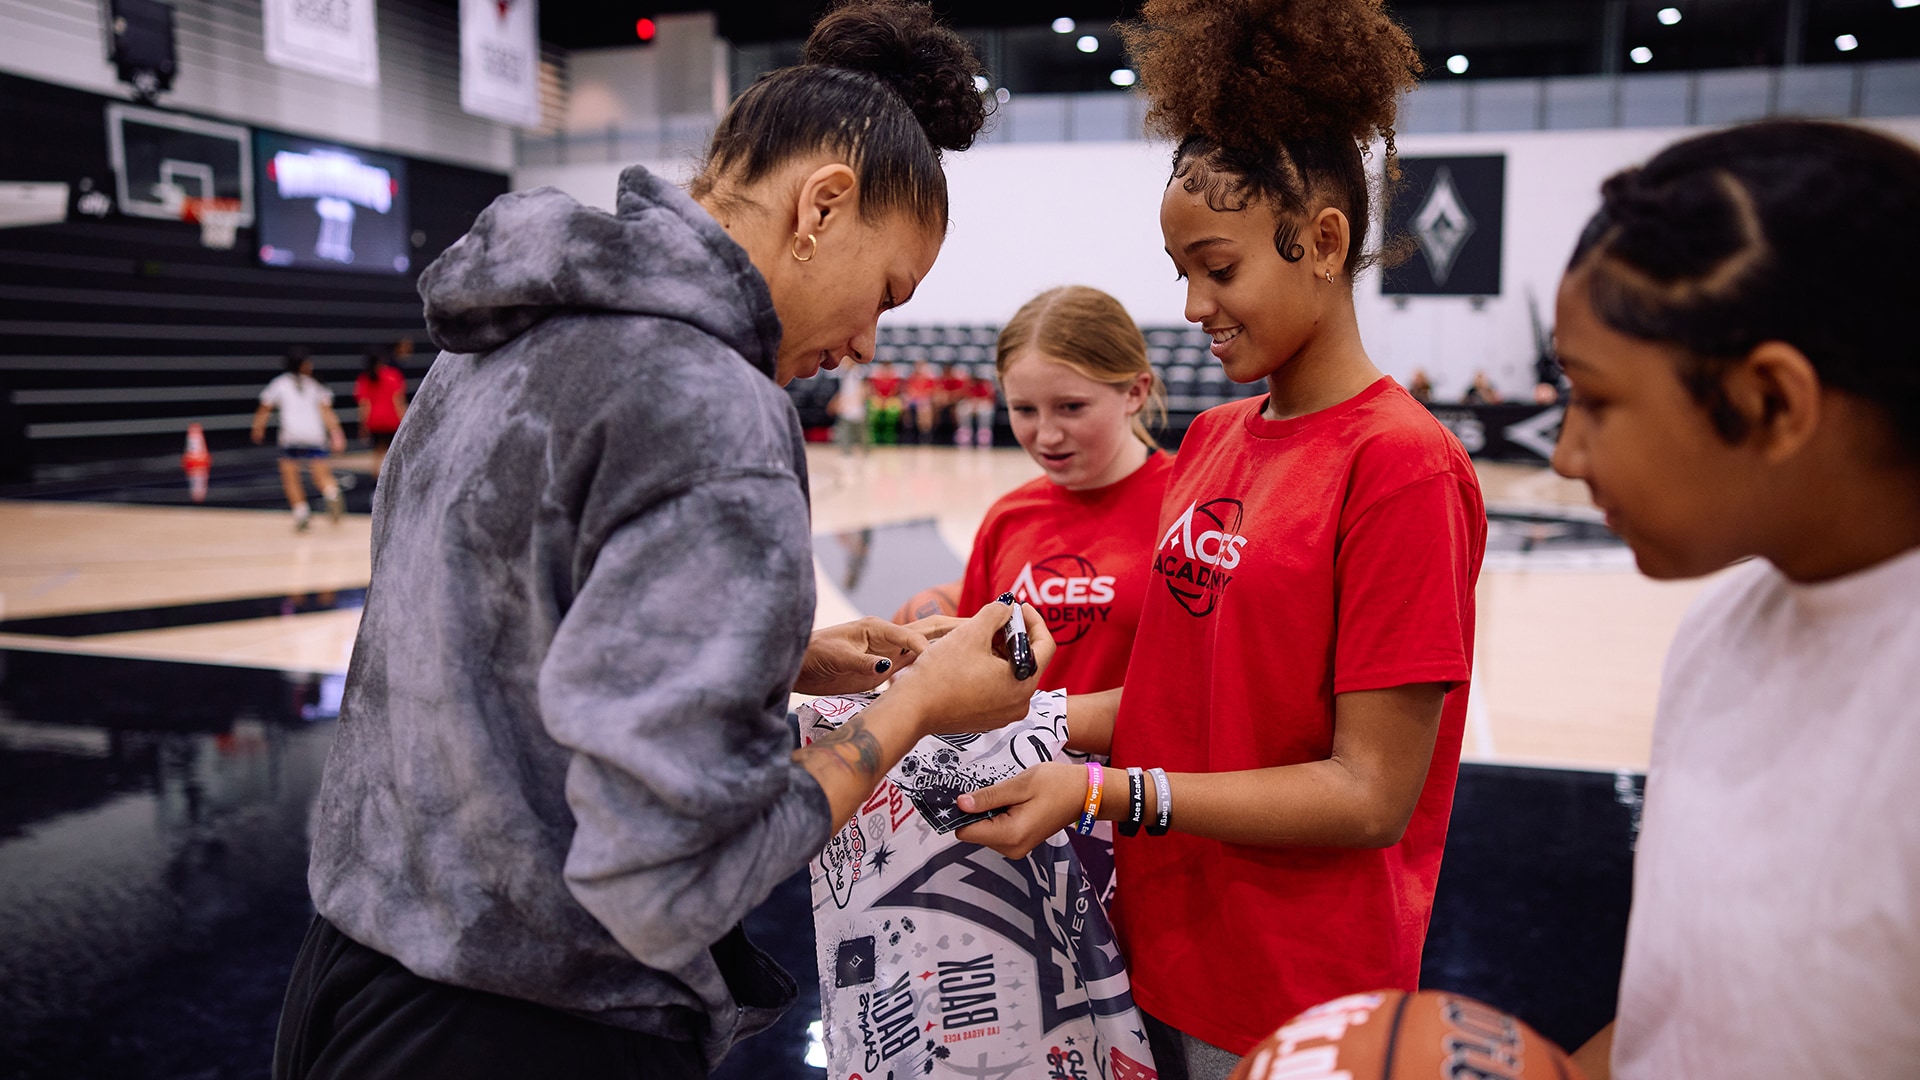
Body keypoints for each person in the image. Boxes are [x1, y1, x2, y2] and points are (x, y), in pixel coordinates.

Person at [271, 6, 1055, 1079]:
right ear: (822, 205)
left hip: (352, 976)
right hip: (529, 1019)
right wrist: (915, 707)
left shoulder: (496, 331)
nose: (869, 344)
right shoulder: (713, 405)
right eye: (885, 295)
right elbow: (683, 874)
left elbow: (497, 630)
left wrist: (777, 662)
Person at [954, 3, 1487, 1078]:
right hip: (1156, 940)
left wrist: (1109, 792)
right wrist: (1005, 715)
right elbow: (1177, 694)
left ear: (1326, 241)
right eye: (1179, 268)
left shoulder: (1402, 466)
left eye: (1220, 267)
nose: (1192, 303)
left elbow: (1368, 794)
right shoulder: (1212, 437)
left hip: (1299, 987)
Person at [1546, 121, 1920, 1080]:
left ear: (1773, 403)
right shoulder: (1721, 627)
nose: (1565, 455)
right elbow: (1690, 1014)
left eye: (1593, 400)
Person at [956, 285, 1175, 902]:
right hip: (1028, 822)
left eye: (1071, 407)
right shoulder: (1008, 518)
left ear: (1135, 391)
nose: (1046, 434)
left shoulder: (1190, 508)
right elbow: (977, 668)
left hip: (1154, 812)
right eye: (1024, 410)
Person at [252, 346, 346, 531]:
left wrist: (258, 428)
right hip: (314, 435)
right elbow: (326, 411)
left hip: (291, 436)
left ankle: (301, 510)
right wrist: (336, 432)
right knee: (320, 474)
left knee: (290, 476)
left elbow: (264, 407)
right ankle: (331, 491)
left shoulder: (279, 384)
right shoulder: (315, 385)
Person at [353, 347, 407, 477]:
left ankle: (376, 479)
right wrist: (404, 418)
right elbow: (398, 400)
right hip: (391, 419)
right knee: (394, 451)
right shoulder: (393, 375)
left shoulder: (364, 379)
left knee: (377, 451)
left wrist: (363, 425)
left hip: (375, 420)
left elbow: (364, 405)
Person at [866, 360, 904, 443]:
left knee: (893, 410)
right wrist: (881, 398)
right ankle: (874, 435)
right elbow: (873, 390)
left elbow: (895, 390)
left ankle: (889, 435)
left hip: (891, 399)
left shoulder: (894, 377)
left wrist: (886, 399)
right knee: (873, 409)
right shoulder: (876, 377)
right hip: (878, 398)